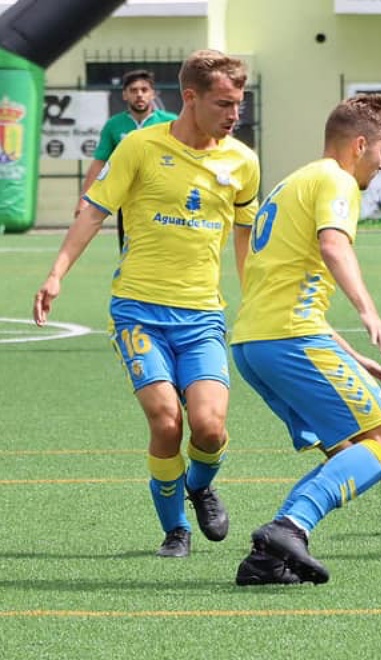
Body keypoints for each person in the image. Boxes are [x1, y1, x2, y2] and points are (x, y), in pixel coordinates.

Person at [32, 50, 259, 557]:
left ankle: (198, 485)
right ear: (191, 97)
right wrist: (55, 274)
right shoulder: (138, 146)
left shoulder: (242, 161)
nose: (233, 115)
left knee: (209, 427)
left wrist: (256, 297)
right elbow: (92, 213)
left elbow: (244, 235)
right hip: (139, 311)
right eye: (224, 103)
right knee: (165, 420)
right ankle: (175, 529)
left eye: (238, 105)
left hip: (202, 315)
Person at [231, 94, 381, 586]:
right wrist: (369, 312)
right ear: (359, 145)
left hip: (255, 344)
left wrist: (352, 355)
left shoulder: (294, 181)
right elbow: (333, 245)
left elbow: (283, 280)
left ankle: (266, 559)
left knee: (348, 450)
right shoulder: (336, 179)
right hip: (292, 340)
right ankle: (289, 526)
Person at [77, 69, 178, 249]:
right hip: (128, 201)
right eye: (133, 90)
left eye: (144, 90)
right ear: (125, 95)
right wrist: (84, 198)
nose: (139, 95)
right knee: (128, 250)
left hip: (164, 198)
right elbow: (100, 161)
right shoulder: (114, 125)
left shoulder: (170, 123)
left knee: (166, 249)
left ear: (152, 94)